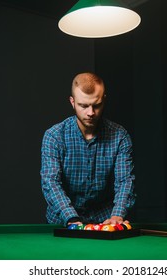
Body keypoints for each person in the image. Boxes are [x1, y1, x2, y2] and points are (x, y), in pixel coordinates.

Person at [41, 72, 136, 226]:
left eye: (96, 105)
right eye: (83, 106)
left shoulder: (120, 136)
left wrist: (118, 215)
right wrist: (72, 218)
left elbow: (125, 181)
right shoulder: (54, 136)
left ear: (104, 100)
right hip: (63, 222)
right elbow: (51, 182)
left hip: (105, 222)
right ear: (72, 102)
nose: (91, 112)